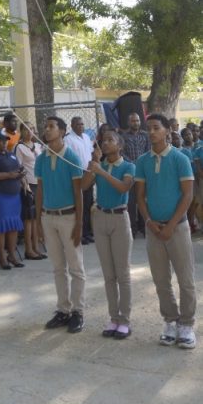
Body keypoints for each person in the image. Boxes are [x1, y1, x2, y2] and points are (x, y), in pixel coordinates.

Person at [134, 112, 197, 349]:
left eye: (156, 128)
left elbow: (188, 195)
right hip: (154, 229)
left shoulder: (179, 158)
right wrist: (149, 222)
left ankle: (187, 324)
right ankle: (170, 321)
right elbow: (140, 196)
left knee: (186, 280)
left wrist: (171, 225)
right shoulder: (143, 161)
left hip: (177, 228)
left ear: (167, 131)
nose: (151, 132)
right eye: (148, 128)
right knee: (161, 280)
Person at [35, 115, 86, 333]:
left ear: (63, 131)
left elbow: (78, 192)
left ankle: (78, 312)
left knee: (76, 268)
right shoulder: (42, 158)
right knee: (57, 268)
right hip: (48, 217)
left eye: (52, 127)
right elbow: (40, 190)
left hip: (68, 217)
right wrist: (38, 220)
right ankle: (63, 310)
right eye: (45, 127)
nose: (47, 130)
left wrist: (80, 224)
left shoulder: (71, 157)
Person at [83, 128, 134, 338]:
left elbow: (124, 188)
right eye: (103, 141)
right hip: (101, 218)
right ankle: (113, 318)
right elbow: (84, 186)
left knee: (123, 274)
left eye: (110, 140)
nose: (105, 144)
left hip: (119, 218)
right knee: (108, 275)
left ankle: (125, 320)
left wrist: (102, 172)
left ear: (119, 146)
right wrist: (91, 167)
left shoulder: (128, 166)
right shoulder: (98, 165)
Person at [0, 130, 25, 269]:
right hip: (0, 196)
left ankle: (12, 255)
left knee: (13, 226)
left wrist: (20, 174)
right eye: (1, 140)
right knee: (1, 226)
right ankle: (2, 256)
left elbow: (17, 169)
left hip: (14, 196)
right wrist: (8, 175)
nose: (4, 142)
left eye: (6, 140)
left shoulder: (11, 155)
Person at [14, 123, 45, 260]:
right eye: (25, 130)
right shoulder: (20, 147)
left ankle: (36, 247)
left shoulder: (38, 147)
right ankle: (29, 249)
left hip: (39, 183)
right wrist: (24, 185)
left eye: (31, 129)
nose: (28, 132)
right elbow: (19, 168)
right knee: (28, 218)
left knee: (37, 217)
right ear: (21, 132)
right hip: (28, 185)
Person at [120, 112, 149, 236]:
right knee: (131, 202)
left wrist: (142, 163)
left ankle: (144, 227)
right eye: (133, 121)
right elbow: (121, 152)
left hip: (143, 173)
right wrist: (132, 163)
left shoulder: (146, 135)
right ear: (128, 123)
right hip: (130, 172)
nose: (136, 123)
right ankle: (133, 228)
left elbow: (149, 150)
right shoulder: (123, 136)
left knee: (143, 199)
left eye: (137, 120)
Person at [67, 116, 94, 244]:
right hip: (77, 174)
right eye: (78, 124)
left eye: (82, 124)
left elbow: (90, 153)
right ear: (72, 125)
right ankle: (80, 233)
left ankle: (87, 232)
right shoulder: (68, 139)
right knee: (80, 205)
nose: (81, 126)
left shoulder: (87, 138)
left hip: (88, 172)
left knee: (88, 204)